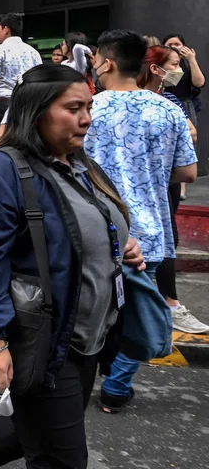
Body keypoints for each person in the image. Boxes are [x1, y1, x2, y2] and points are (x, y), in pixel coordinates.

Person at [0, 64, 147, 469]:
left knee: (40, 425)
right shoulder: (1, 171)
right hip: (44, 339)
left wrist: (121, 246)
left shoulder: (76, 163)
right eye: (73, 108)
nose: (86, 118)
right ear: (36, 112)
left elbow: (84, 228)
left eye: (88, 107)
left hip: (88, 335)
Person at [83, 30, 198, 414]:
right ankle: (117, 387)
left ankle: (76, 381)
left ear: (108, 62)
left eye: (97, 60)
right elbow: (188, 172)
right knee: (142, 309)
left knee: (87, 306)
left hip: (93, 227)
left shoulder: (87, 109)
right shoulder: (169, 109)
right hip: (147, 231)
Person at [137, 46, 207, 334]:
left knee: (167, 240)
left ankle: (166, 303)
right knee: (155, 244)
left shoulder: (169, 99)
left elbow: (191, 131)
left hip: (167, 183)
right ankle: (168, 304)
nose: (178, 70)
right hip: (153, 183)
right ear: (155, 69)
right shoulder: (143, 101)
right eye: (174, 64)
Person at [0, 14, 42, 147]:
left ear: (6, 29)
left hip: (2, 106)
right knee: (23, 145)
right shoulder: (33, 53)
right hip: (26, 105)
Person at [163, 33, 204, 201]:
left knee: (185, 143)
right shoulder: (162, 64)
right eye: (170, 44)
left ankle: (181, 187)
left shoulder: (187, 63)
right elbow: (167, 83)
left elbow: (199, 82)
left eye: (177, 44)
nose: (174, 47)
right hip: (167, 102)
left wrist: (192, 59)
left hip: (185, 105)